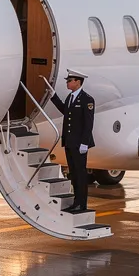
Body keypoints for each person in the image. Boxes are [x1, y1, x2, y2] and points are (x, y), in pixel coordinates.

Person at [48, 69, 96, 214]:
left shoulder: (87, 99)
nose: (67, 83)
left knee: (80, 174)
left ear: (78, 82)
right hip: (69, 142)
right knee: (73, 174)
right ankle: (76, 202)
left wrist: (84, 143)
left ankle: (81, 204)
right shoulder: (70, 97)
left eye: (69, 81)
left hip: (79, 144)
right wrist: (53, 96)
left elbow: (88, 124)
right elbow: (65, 111)